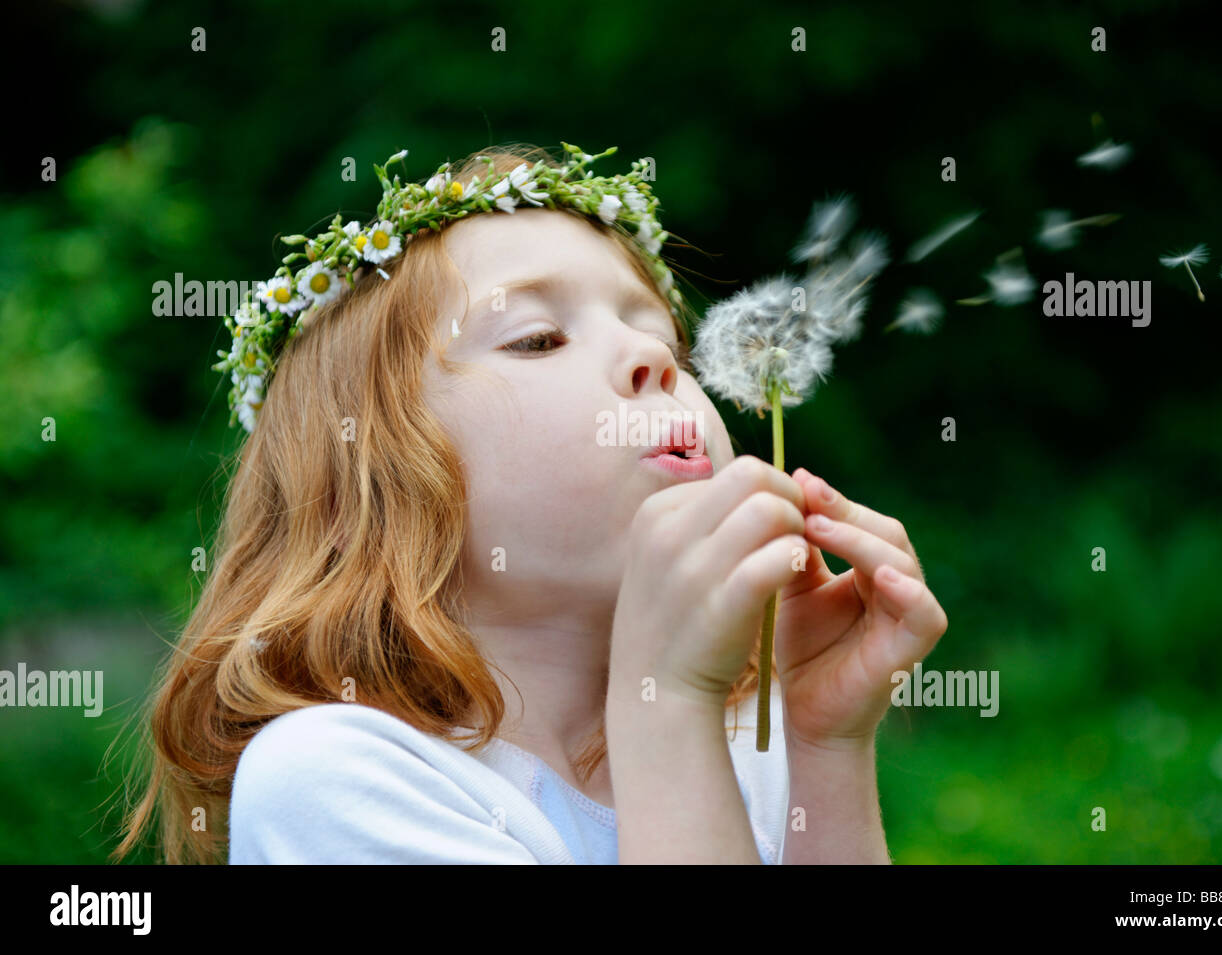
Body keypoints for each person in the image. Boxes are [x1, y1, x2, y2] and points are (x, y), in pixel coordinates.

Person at [112, 142, 948, 864]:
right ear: (377, 475)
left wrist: (822, 741)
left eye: (666, 341)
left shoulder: (751, 743)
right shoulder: (336, 775)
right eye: (539, 338)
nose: (650, 361)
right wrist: (669, 706)